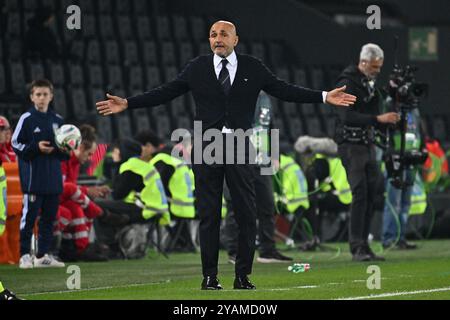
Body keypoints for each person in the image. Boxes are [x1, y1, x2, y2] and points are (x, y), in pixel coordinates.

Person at [96, 20, 356, 290]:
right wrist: (128, 103)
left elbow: (284, 90)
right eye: (212, 35)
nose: (217, 39)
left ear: (235, 40)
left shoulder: (252, 67)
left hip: (240, 145)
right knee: (209, 216)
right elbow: (166, 92)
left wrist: (324, 96)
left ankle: (242, 276)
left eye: (223, 34)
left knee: (246, 214)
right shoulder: (197, 67)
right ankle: (209, 277)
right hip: (207, 147)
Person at [334, 43, 401, 261]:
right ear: (363, 62)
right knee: (360, 193)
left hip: (368, 145)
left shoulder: (368, 83)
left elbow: (372, 115)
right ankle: (356, 247)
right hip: (351, 146)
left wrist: (387, 120)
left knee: (373, 194)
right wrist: (376, 120)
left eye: (379, 67)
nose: (377, 71)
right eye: (374, 66)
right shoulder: (347, 83)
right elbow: (346, 116)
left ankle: (365, 244)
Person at [223, 92, 293, 263]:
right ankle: (234, 251)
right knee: (236, 205)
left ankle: (267, 250)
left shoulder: (265, 99)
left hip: (262, 161)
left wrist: (275, 156)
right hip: (238, 158)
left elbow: (272, 128)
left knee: (267, 206)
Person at [12, 79, 68, 268]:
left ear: (51, 96)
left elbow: (64, 153)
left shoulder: (58, 120)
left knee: (49, 219)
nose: (42, 98)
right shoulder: (27, 119)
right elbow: (15, 144)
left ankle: (42, 255)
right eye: (38, 94)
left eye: (45, 94)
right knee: (29, 219)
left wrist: (64, 149)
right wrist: (36, 147)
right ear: (32, 97)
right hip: (33, 180)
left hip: (53, 178)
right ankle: (24, 255)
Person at [95, 136, 170, 257]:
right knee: (106, 207)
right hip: (155, 209)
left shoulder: (131, 167)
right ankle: (117, 226)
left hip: (145, 210)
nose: (112, 153)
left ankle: (110, 247)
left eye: (115, 150)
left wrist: (107, 191)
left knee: (96, 205)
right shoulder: (142, 165)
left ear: (123, 152)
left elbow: (118, 194)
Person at [294, 136, 352, 249]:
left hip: (340, 196)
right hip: (346, 196)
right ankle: (316, 236)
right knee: (316, 201)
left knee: (312, 203)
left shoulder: (321, 162)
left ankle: (313, 236)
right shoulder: (338, 159)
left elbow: (313, 185)